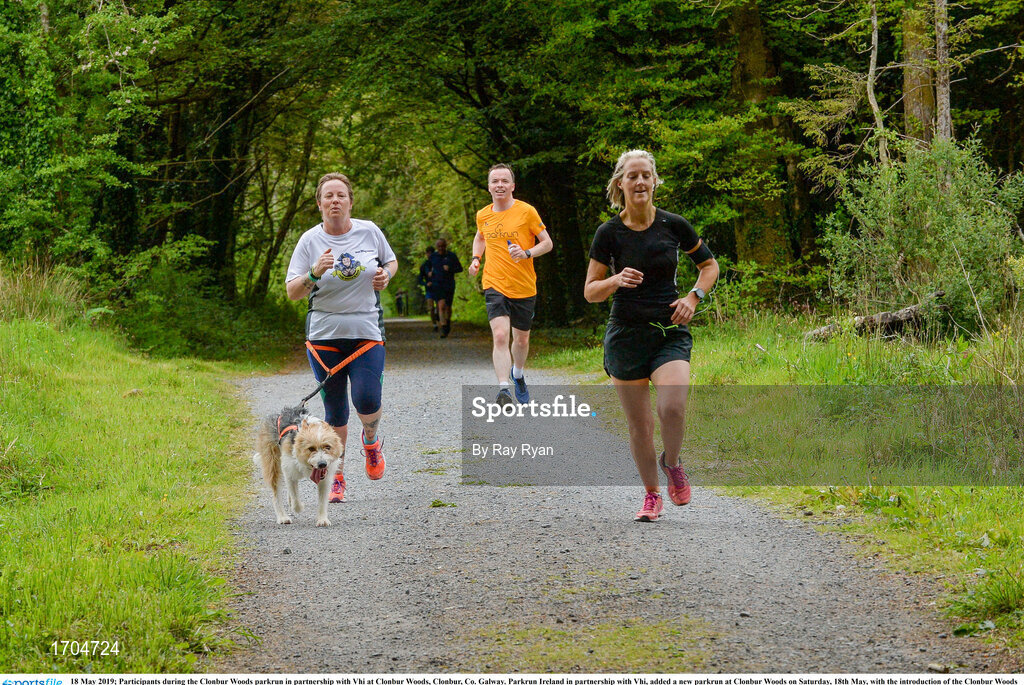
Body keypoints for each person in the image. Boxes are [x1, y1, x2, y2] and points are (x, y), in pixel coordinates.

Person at [584, 150, 719, 522]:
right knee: (640, 425)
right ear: (620, 184)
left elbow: (709, 266)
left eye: (646, 175)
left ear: (655, 181)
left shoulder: (674, 225)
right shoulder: (608, 233)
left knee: (672, 407)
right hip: (626, 334)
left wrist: (694, 296)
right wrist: (614, 280)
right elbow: (590, 290)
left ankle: (672, 463)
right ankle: (651, 495)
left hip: (668, 330)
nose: (640, 182)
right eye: (632, 176)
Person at [286, 172, 398, 503]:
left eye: (341, 195)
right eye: (328, 196)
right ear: (319, 204)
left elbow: (390, 262)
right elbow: (293, 292)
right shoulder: (309, 241)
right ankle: (337, 475)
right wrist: (313, 273)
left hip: (366, 332)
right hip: (324, 336)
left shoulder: (369, 231)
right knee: (335, 411)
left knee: (366, 400)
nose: (335, 201)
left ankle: (371, 442)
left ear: (350, 201)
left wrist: (385, 276)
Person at [468, 163, 553, 405]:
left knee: (522, 339)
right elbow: (480, 236)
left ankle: (517, 374)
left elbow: (547, 243)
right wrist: (476, 259)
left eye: (505, 181)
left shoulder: (527, 212)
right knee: (500, 335)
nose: (500, 185)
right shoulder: (483, 214)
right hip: (494, 283)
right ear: (489, 187)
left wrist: (526, 253)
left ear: (513, 186)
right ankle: (503, 389)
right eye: (495, 181)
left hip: (524, 286)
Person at [428, 238, 463, 338]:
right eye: (439, 247)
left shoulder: (451, 256)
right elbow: (427, 268)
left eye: (442, 246)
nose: (441, 248)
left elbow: (460, 268)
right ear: (436, 247)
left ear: (445, 246)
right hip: (437, 284)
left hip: (449, 284)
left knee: (448, 307)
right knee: (441, 305)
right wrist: (429, 275)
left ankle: (447, 323)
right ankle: (443, 327)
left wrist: (450, 269)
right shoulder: (433, 257)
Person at [418, 246, 439, 331]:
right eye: (428, 253)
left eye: (431, 253)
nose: (429, 255)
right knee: (430, 307)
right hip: (429, 289)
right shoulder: (424, 265)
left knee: (439, 307)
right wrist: (426, 284)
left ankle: (438, 317)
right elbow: (420, 279)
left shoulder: (438, 263)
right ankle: (434, 325)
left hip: (438, 288)